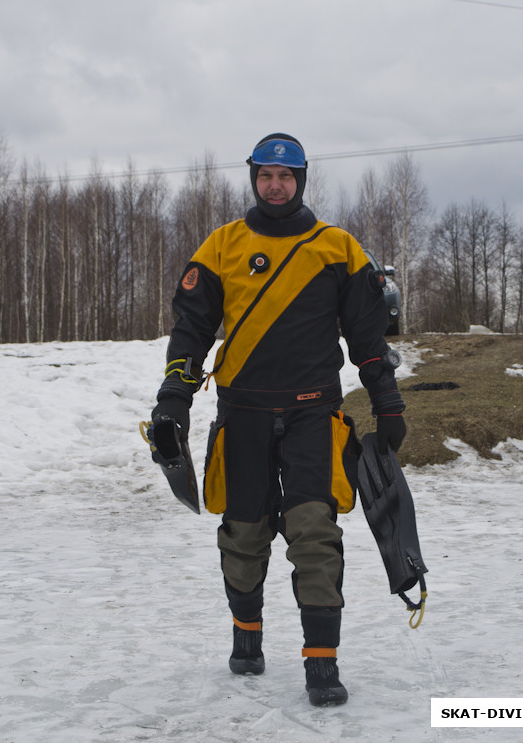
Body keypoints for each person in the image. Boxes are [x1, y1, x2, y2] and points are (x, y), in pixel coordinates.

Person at [151, 133, 406, 706]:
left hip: (315, 412)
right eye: (266, 175)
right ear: (254, 180)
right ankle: (247, 637)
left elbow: (368, 339)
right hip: (241, 414)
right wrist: (174, 397)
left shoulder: (337, 247)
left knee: (315, 530)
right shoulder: (222, 246)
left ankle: (322, 662)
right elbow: (191, 331)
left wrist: (386, 401)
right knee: (243, 534)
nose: (275, 184)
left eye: (286, 176)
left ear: (302, 181)